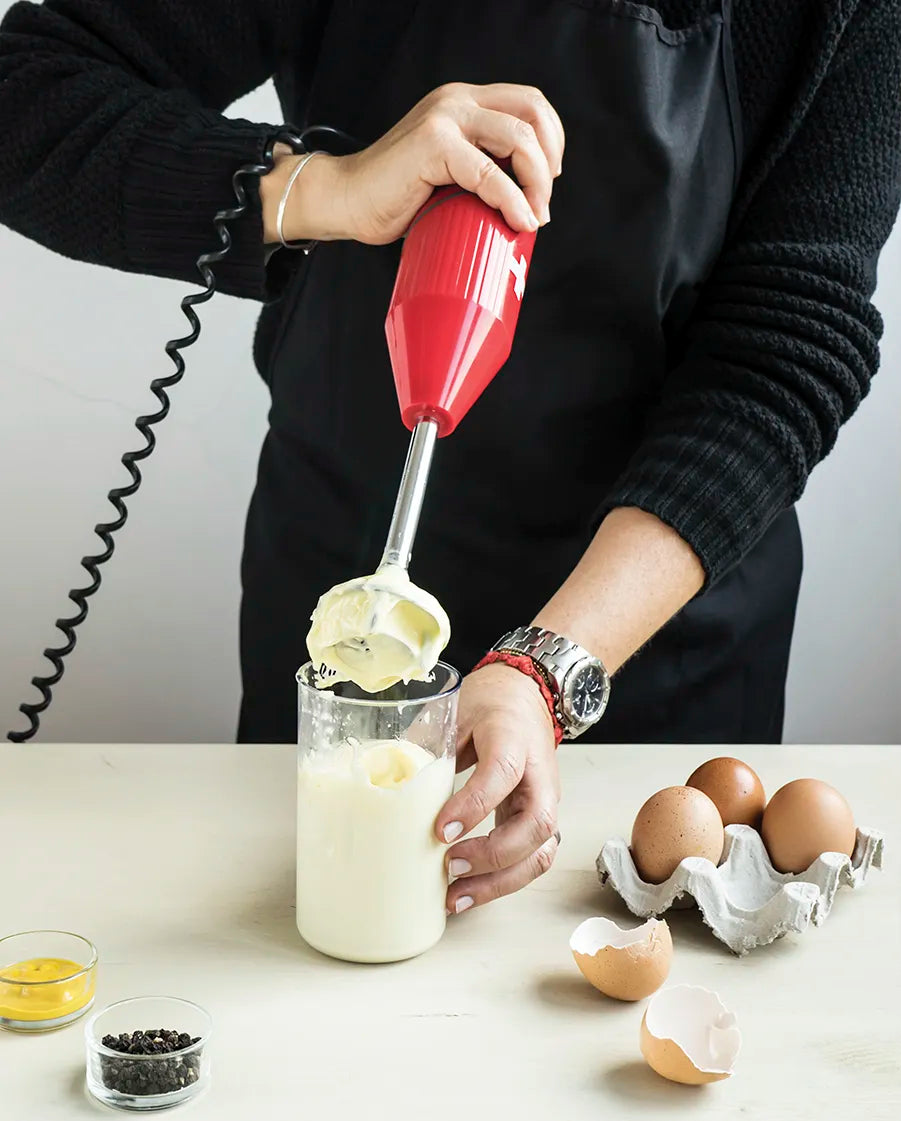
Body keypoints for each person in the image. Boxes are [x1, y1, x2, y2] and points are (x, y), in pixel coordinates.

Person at [0, 1, 898, 914]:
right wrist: (319, 187)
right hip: (344, 607)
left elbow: (788, 341)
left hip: (656, 646)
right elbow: (25, 93)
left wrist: (547, 670)